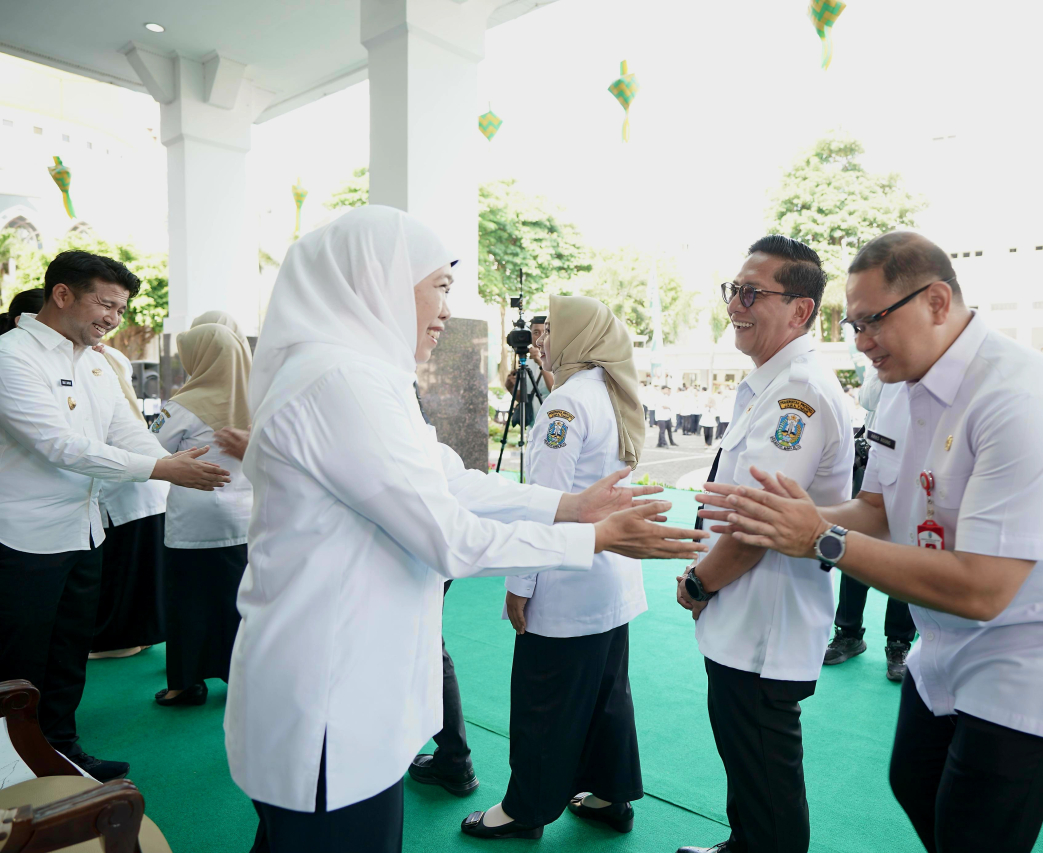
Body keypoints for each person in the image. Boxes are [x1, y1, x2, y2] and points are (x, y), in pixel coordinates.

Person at [223, 206, 706, 853]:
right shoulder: (341, 381)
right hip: (332, 696)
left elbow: (449, 478)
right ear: (379, 282)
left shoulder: (361, 375)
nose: (448, 310)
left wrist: (569, 507)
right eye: (440, 287)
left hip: (344, 683)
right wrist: (593, 537)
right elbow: (450, 536)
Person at [698, 231, 1043, 853]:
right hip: (949, 642)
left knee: (972, 830)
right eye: (854, 325)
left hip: (1040, 652)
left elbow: (985, 589)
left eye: (874, 321)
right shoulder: (899, 392)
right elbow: (877, 509)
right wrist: (785, 520)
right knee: (913, 782)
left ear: (936, 302)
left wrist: (818, 537)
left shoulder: (1022, 395)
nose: (861, 341)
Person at [0, 251, 230, 782]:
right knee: (20, 661)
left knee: (67, 654)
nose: (113, 318)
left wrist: (169, 463)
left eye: (121, 309)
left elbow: (123, 431)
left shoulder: (96, 362)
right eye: (105, 304)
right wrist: (160, 468)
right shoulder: (13, 356)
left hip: (86, 531)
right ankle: (13, 770)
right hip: (25, 540)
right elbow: (58, 445)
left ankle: (61, 751)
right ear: (62, 294)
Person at [673, 235, 854, 853]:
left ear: (800, 310)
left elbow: (758, 523)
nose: (734, 306)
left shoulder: (796, 393)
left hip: (764, 620)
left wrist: (700, 582)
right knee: (746, 760)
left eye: (752, 294)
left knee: (765, 769)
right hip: (747, 613)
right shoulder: (772, 384)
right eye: (734, 290)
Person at [464, 296, 648, 840]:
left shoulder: (566, 403)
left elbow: (546, 502)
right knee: (607, 694)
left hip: (567, 579)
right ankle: (610, 795)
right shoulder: (612, 391)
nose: (541, 341)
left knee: (544, 700)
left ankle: (525, 810)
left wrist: (520, 584)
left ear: (580, 337)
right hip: (610, 576)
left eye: (551, 331)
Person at [150, 323, 254, 706]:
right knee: (239, 602)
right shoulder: (261, 399)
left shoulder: (182, 406)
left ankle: (185, 683)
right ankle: (243, 679)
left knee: (188, 601)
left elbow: (150, 447)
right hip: (246, 518)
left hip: (194, 521)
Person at [823, 367, 916, 680]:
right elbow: (869, 398)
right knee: (855, 545)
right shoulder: (884, 363)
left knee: (906, 556)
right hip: (876, 455)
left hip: (919, 467)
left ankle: (899, 643)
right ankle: (848, 633)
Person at [91, 344, 170, 658]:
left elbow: (156, 434)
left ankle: (118, 640)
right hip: (155, 488)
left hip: (131, 489)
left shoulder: (181, 406)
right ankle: (139, 634)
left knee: (124, 567)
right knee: (144, 568)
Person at [504, 315, 554, 426]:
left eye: (545, 332)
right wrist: (511, 388)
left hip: (551, 423)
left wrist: (540, 362)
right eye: (536, 332)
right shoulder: (526, 362)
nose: (540, 337)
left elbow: (555, 389)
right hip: (533, 425)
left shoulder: (558, 358)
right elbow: (524, 398)